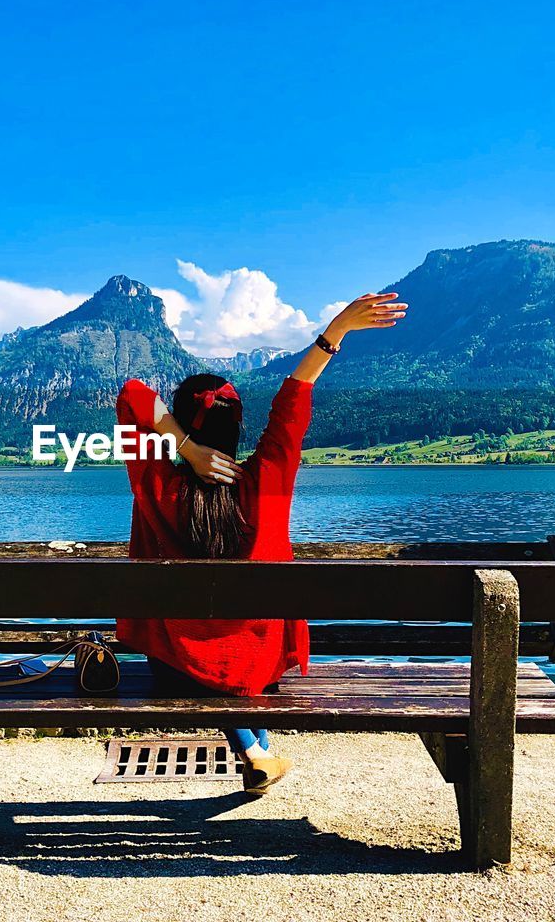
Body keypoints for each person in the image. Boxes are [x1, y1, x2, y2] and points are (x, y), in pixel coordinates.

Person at [115, 291, 407, 794]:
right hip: (260, 667)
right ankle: (257, 749)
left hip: (174, 668)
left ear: (179, 427)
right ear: (239, 426)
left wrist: (183, 446)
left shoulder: (155, 483)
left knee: (190, 655)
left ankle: (255, 750)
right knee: (239, 661)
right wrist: (334, 330)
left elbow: (132, 395)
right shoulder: (268, 478)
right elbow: (294, 398)